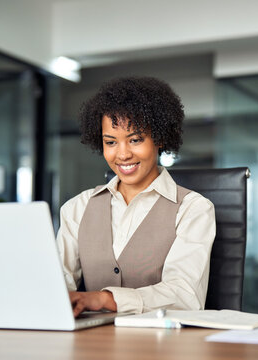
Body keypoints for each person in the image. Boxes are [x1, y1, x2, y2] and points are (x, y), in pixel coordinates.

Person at [56, 77, 215, 317]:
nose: (122, 154)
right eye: (111, 142)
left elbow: (185, 295)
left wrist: (104, 299)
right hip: (91, 345)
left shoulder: (193, 209)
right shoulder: (77, 208)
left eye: (135, 140)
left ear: (160, 138)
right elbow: (58, 284)